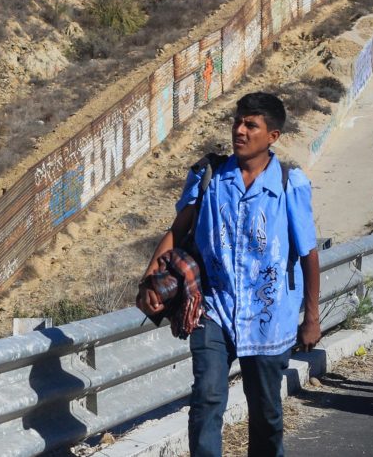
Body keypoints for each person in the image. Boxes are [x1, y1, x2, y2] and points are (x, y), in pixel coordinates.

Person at [137, 92, 320, 457]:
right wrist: (150, 282)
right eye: (237, 121)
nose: (239, 130)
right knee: (206, 398)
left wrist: (311, 317)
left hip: (268, 318)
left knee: (266, 413)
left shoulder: (289, 184)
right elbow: (177, 231)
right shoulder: (208, 177)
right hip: (213, 309)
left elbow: (308, 255)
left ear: (273, 136)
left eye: (251, 125)